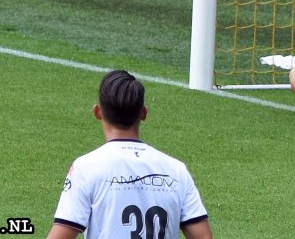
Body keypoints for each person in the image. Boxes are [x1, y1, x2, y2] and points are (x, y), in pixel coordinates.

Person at [47, 70, 213, 239]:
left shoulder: (86, 167)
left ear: (97, 112)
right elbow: (204, 237)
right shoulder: (176, 170)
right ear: (143, 113)